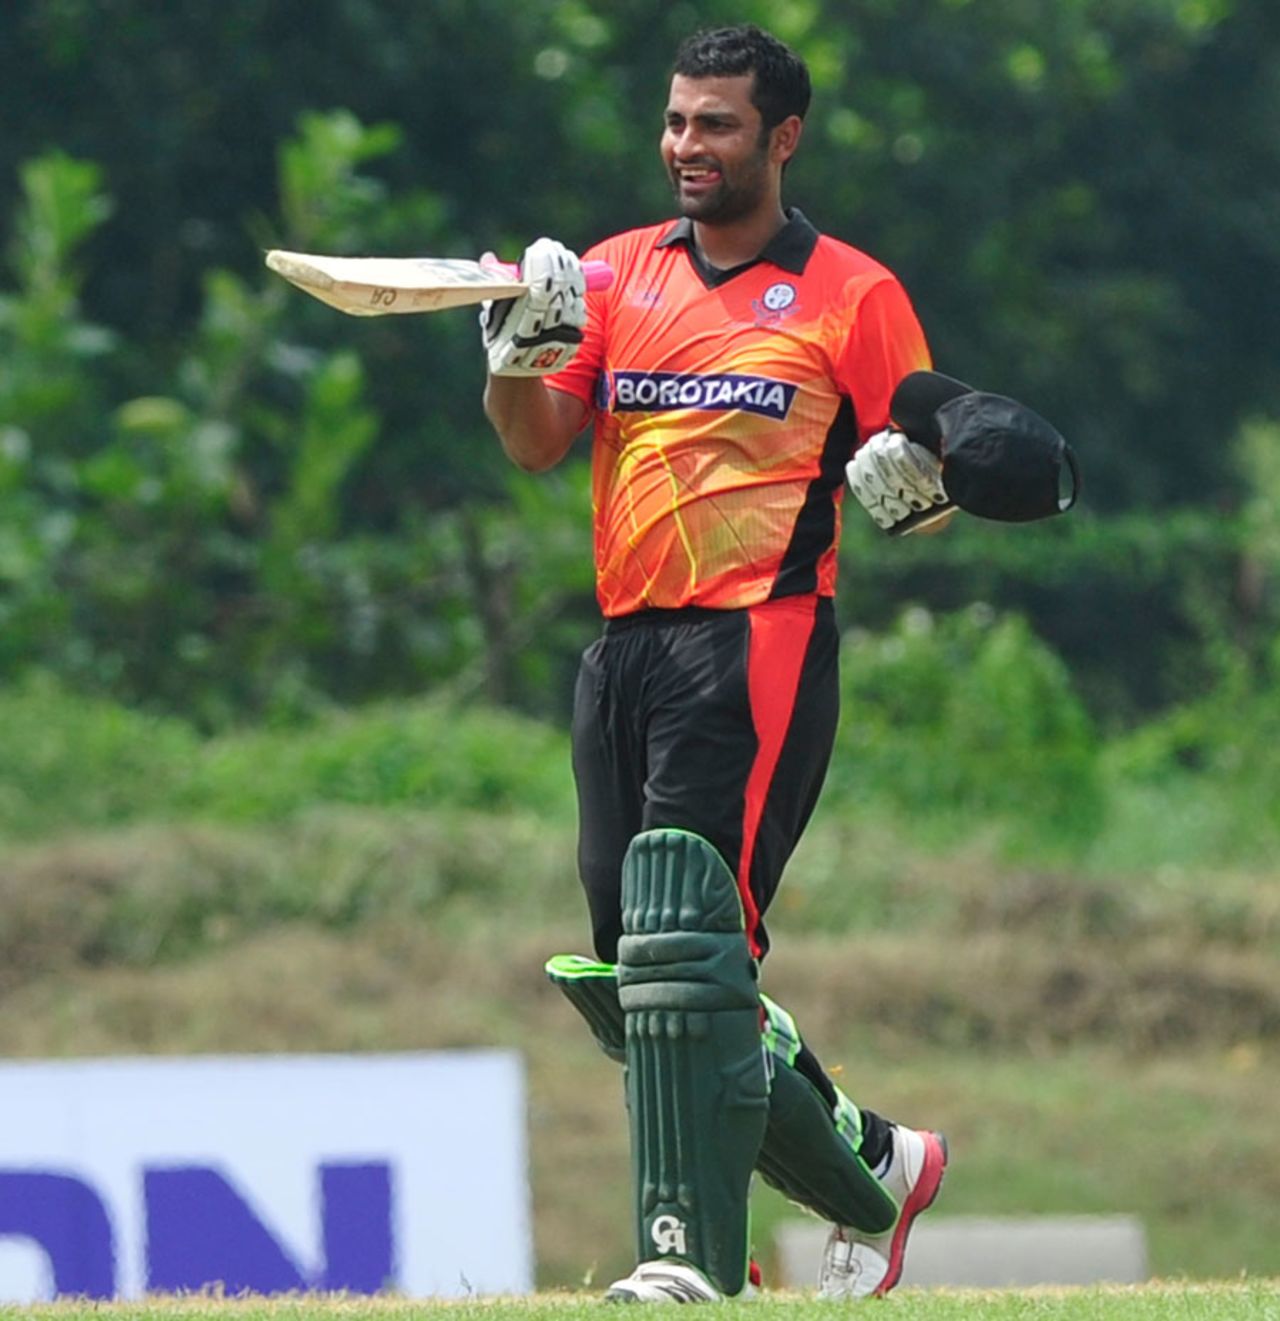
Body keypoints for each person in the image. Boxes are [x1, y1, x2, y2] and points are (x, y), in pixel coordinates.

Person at [479, 23, 951, 1304]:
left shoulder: (852, 292)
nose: (686, 146)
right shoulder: (617, 272)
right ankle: (873, 1166)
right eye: (676, 121)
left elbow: (934, 474)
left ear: (780, 138)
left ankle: (685, 1259)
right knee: (636, 978)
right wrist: (515, 346)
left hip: (759, 639)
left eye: (716, 125)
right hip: (622, 646)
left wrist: (910, 483)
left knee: (688, 946)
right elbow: (537, 443)